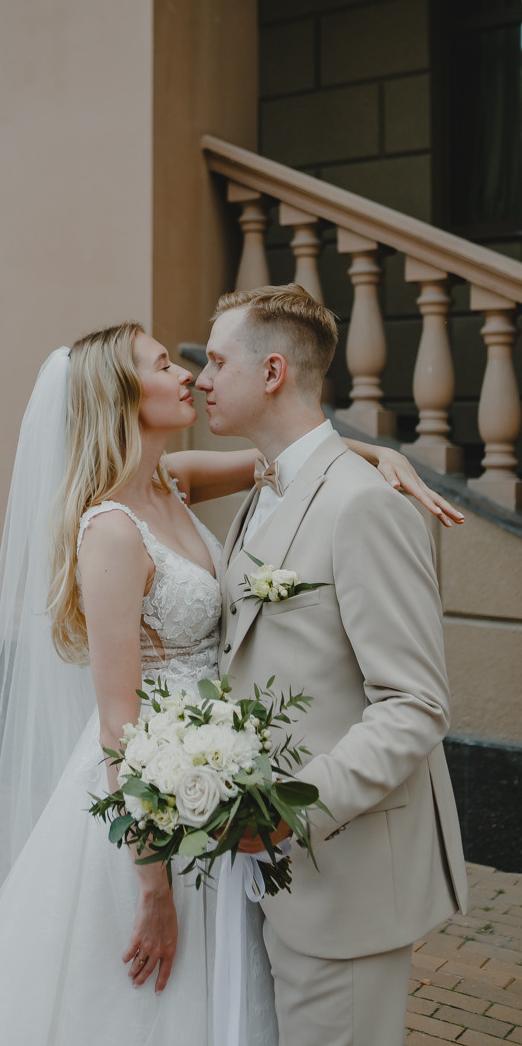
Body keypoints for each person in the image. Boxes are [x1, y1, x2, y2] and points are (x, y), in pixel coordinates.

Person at [0, 320, 463, 1046]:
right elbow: (117, 724)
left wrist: (382, 454)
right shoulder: (112, 530)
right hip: (152, 796)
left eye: (195, 363)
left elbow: (291, 454)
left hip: (218, 780)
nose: (186, 375)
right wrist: (152, 887)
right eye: (162, 365)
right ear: (122, 396)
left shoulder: (172, 480)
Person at [197, 284, 467, 1046]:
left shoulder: (363, 505)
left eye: (216, 361)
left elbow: (414, 704)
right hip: (260, 877)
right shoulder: (264, 487)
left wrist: (285, 816)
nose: (201, 379)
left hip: (343, 879)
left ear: (272, 371)